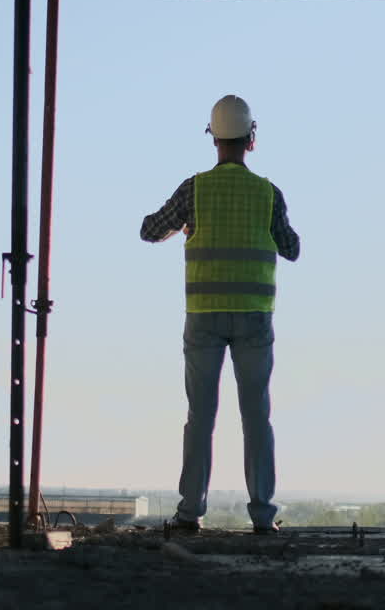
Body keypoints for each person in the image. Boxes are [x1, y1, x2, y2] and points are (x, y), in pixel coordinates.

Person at [140, 95, 300, 534]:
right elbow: (292, 248)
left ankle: (190, 512)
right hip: (253, 319)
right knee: (256, 418)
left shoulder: (194, 189)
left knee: (200, 418)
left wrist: (185, 226)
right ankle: (264, 516)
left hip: (205, 318)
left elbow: (149, 231)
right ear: (251, 139)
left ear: (213, 139)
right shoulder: (268, 192)